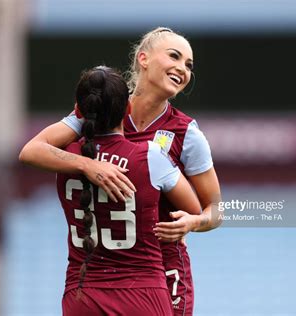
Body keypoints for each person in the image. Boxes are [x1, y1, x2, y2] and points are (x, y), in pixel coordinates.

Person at [19, 27, 222, 315]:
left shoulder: (187, 134)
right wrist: (89, 165)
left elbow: (215, 210)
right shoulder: (102, 108)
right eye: (174, 56)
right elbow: (31, 150)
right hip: (101, 270)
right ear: (144, 58)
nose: (182, 69)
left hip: (163, 268)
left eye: (189, 65)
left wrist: (194, 222)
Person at [58, 65, 201, 315]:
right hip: (142, 295)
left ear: (78, 109)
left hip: (82, 295)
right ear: (128, 109)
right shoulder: (149, 156)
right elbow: (193, 209)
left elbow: (33, 150)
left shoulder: (63, 155)